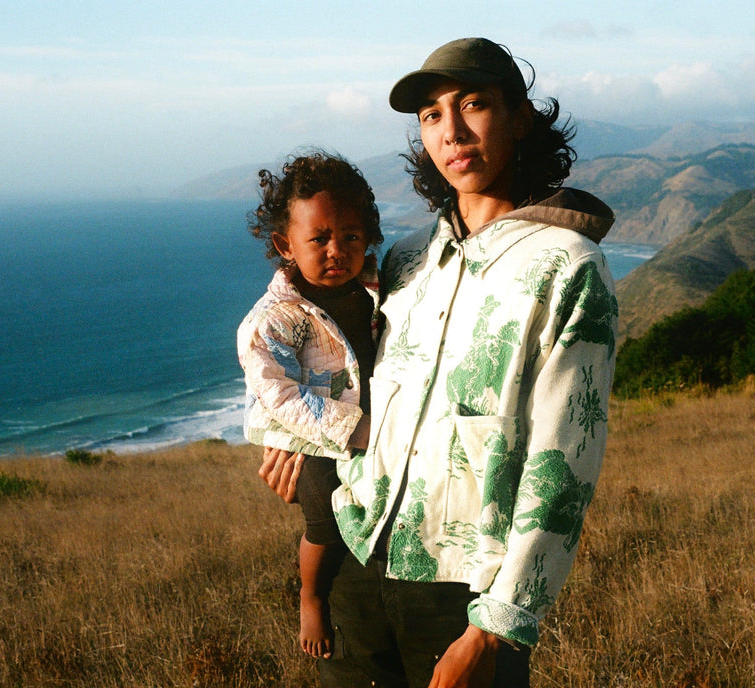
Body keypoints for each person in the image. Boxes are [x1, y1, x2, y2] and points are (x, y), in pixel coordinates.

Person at [259, 37, 618, 687]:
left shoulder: (567, 266)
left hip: (460, 595)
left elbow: (564, 461)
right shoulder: (406, 258)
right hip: (353, 557)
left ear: (520, 118)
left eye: (473, 104)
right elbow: (347, 364)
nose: (450, 131)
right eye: (430, 114)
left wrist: (493, 629)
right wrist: (293, 433)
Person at [237, 151, 382, 659]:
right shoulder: (276, 318)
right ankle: (311, 596)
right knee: (323, 516)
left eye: (350, 236)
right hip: (314, 436)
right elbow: (277, 393)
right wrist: (351, 430)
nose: (336, 250)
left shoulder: (375, 291)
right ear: (286, 245)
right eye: (318, 239)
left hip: (367, 424)